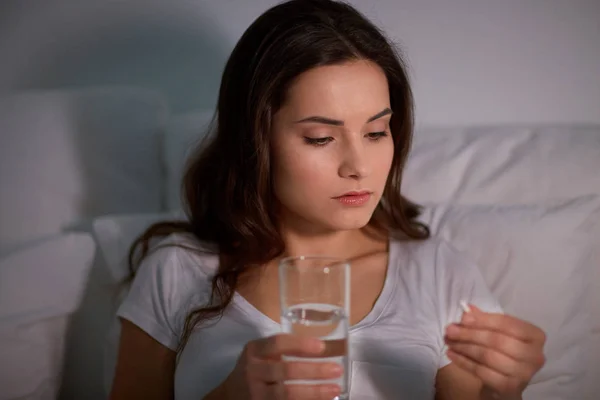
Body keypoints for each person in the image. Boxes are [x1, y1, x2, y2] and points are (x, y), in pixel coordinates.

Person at [108, 1, 546, 399]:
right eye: (320, 138)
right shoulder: (176, 270)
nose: (359, 165)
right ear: (255, 141)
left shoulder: (439, 274)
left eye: (376, 132)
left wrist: (501, 393)